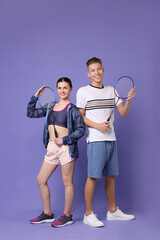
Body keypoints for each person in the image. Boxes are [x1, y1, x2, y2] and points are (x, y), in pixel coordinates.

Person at [76, 57, 136, 227]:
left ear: (103, 70)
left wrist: (129, 99)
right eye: (93, 70)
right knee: (93, 176)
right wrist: (97, 126)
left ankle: (113, 211)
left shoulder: (112, 90)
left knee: (111, 176)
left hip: (112, 139)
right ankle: (88, 214)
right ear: (88, 73)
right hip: (95, 140)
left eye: (99, 69)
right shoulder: (82, 92)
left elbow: (123, 113)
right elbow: (81, 117)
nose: (97, 72)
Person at [27, 77, 85, 227]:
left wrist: (65, 139)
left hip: (67, 148)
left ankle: (67, 216)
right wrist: (35, 97)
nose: (62, 90)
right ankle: (47, 213)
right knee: (41, 180)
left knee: (67, 182)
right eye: (59, 88)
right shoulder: (50, 106)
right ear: (57, 89)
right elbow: (31, 113)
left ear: (70, 89)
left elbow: (81, 130)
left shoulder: (72, 109)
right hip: (52, 147)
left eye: (65, 87)